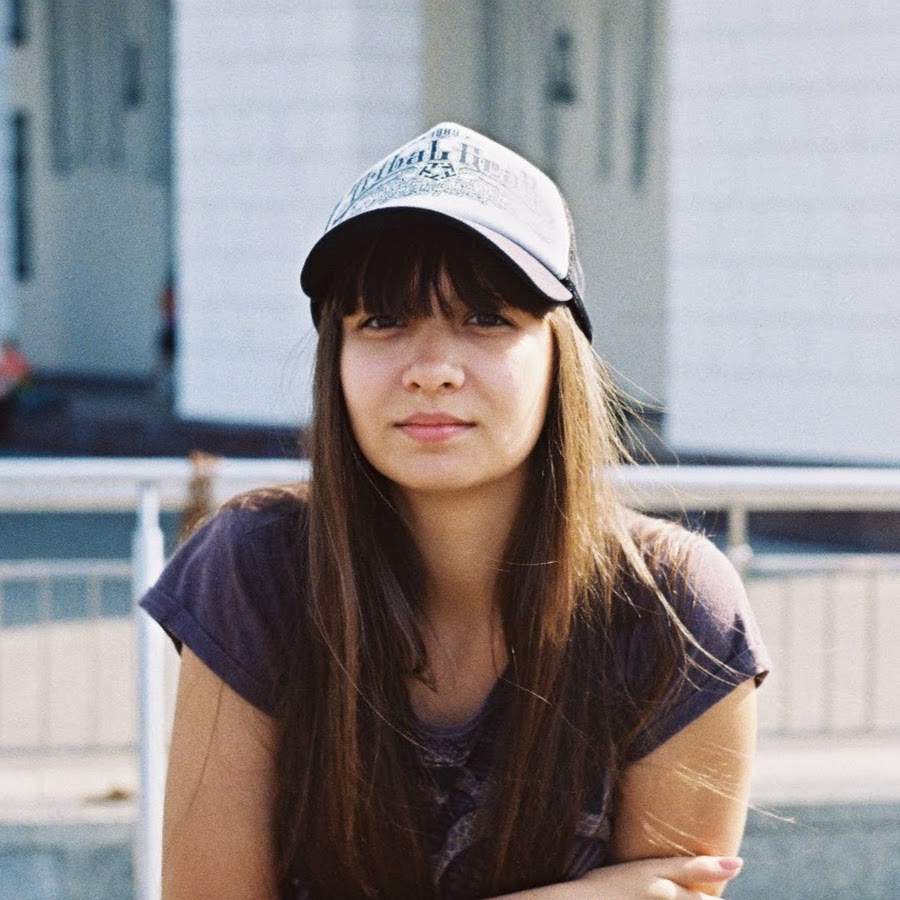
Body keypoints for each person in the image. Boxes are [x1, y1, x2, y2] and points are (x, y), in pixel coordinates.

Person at [142, 122, 770, 899]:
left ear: (559, 353)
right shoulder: (255, 569)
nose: (432, 369)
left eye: (486, 318)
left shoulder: (673, 608)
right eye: (382, 320)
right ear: (336, 356)